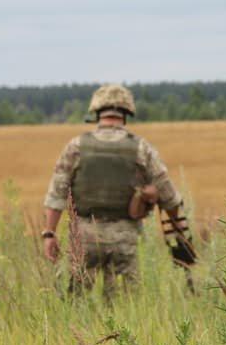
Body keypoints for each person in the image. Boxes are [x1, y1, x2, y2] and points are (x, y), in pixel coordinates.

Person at [41, 84, 193, 295]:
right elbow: (170, 197)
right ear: (126, 113)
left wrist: (49, 234)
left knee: (76, 304)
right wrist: (180, 237)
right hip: (126, 239)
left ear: (96, 112)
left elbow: (56, 194)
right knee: (124, 309)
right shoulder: (141, 148)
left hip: (83, 237)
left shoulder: (76, 146)